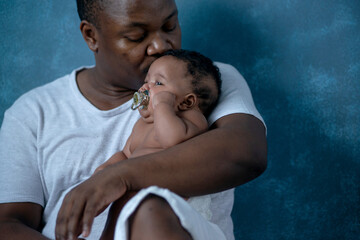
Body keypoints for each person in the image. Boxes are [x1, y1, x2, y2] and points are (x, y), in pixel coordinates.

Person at [0, 0, 267, 240]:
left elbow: (246, 153)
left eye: (169, 25)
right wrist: (107, 173)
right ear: (91, 36)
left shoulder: (203, 81)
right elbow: (7, 223)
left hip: (175, 228)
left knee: (148, 207)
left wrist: (120, 177)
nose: (161, 45)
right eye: (137, 36)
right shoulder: (34, 112)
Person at [96, 48, 222, 239]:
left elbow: (171, 140)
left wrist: (163, 106)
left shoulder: (191, 118)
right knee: (116, 217)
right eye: (146, 81)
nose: (145, 88)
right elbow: (126, 154)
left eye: (158, 83)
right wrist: (105, 170)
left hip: (170, 207)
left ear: (187, 102)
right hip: (132, 195)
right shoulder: (141, 125)